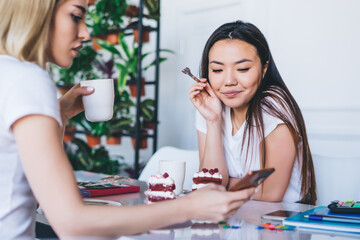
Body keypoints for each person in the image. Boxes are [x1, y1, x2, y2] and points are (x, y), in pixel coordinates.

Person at [0, 1, 255, 239]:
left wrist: (61, 113)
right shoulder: (29, 80)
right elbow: (72, 222)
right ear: (35, 11)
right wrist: (189, 207)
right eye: (76, 16)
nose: (86, 33)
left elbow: (21, 194)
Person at [189, 20, 316, 205]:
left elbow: (270, 193)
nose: (229, 81)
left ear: (264, 69)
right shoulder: (209, 104)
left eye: (243, 69)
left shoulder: (274, 104)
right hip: (236, 216)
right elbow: (210, 182)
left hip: (280, 222)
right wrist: (213, 121)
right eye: (217, 69)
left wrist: (224, 184)